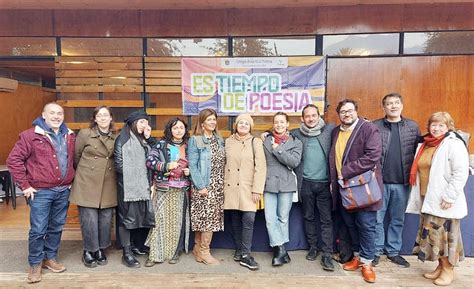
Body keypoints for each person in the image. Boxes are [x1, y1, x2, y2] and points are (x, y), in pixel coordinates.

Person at [7, 103, 75, 283]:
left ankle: (49, 258)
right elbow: (13, 160)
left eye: (59, 113)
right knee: (38, 229)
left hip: (63, 190)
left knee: (57, 227)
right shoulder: (30, 136)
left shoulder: (69, 135)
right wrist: (25, 186)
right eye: (52, 113)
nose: (56, 116)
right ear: (43, 115)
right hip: (41, 192)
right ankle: (35, 263)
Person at [406, 112, 469, 286]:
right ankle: (441, 267)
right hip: (428, 197)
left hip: (444, 200)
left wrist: (449, 196)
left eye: (441, 125)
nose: (436, 128)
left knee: (445, 236)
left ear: (449, 127)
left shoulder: (454, 144)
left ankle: (449, 270)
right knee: (434, 236)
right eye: (434, 124)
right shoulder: (426, 144)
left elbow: (460, 172)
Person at [328, 99, 382, 283]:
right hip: (344, 190)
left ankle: (367, 263)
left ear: (356, 111)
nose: (346, 114)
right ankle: (358, 258)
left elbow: (372, 156)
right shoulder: (336, 131)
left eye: (350, 111)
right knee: (351, 225)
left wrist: (345, 171)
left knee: (366, 226)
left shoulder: (368, 128)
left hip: (363, 188)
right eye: (343, 111)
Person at [372, 93, 420, 267]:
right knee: (377, 219)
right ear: (383, 107)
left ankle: (393, 252)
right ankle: (376, 251)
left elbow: (419, 152)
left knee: (397, 219)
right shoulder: (375, 126)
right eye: (389, 104)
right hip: (379, 182)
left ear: (402, 105)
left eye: (396, 103)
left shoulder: (412, 127)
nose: (393, 106)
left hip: (403, 183)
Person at [69, 106, 118, 268]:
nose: (103, 118)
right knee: (88, 219)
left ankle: (101, 249)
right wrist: (84, 174)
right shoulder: (84, 134)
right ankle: (89, 251)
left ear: (111, 118)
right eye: (99, 115)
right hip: (87, 181)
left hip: (108, 182)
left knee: (105, 219)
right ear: (95, 119)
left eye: (106, 115)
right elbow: (76, 156)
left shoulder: (116, 136)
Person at [291, 104, 336, 271]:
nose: (310, 119)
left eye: (313, 115)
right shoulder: (296, 133)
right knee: (308, 217)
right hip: (306, 183)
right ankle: (312, 247)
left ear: (319, 116)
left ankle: (327, 254)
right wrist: (267, 133)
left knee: (326, 220)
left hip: (325, 184)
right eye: (307, 116)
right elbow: (280, 134)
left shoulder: (330, 130)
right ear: (302, 118)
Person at [144, 118, 191, 267]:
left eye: (181, 128)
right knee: (160, 222)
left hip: (181, 190)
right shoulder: (162, 144)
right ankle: (155, 254)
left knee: (177, 223)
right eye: (175, 128)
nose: (178, 131)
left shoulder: (189, 146)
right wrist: (166, 166)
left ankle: (174, 252)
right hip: (164, 188)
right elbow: (150, 161)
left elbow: (196, 164)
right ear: (170, 130)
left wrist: (190, 172)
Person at [224, 113, 266, 270]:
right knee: (235, 221)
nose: (243, 125)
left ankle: (246, 255)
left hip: (249, 188)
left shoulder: (256, 142)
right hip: (231, 188)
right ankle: (239, 250)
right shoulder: (227, 141)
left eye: (246, 123)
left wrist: (257, 189)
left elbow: (261, 167)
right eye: (240, 123)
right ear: (235, 125)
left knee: (248, 221)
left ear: (250, 127)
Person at [114, 110, 156, 268]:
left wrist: (149, 138)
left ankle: (136, 246)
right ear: (133, 123)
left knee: (140, 217)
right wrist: (138, 175)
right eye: (141, 122)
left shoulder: (143, 140)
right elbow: (118, 165)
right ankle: (127, 253)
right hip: (128, 187)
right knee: (127, 219)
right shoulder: (122, 140)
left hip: (144, 186)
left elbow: (155, 154)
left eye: (146, 122)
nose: (144, 125)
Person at [263, 112, 302, 266]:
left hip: (287, 183)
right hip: (269, 183)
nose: (279, 125)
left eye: (282, 122)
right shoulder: (265, 140)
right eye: (276, 122)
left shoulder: (296, 142)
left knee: (283, 218)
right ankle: (281, 249)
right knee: (270, 219)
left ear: (287, 124)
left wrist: (278, 149)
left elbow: (294, 162)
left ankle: (280, 251)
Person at [188, 108, 225, 265]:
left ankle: (197, 249)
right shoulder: (195, 140)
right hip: (203, 184)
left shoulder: (219, 139)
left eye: (214, 119)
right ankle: (204, 251)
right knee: (206, 219)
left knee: (207, 218)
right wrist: (200, 186)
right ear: (202, 123)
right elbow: (192, 165)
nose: (212, 122)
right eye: (209, 119)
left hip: (217, 185)